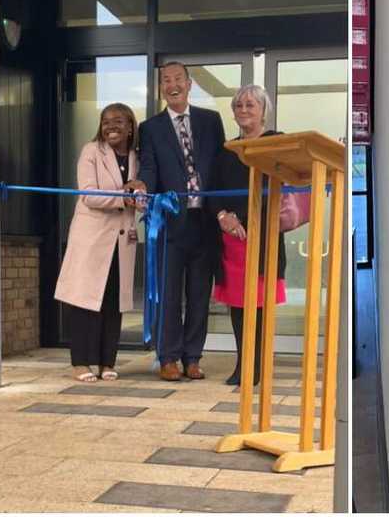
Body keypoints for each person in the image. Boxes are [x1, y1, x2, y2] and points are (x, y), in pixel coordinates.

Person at [130, 61, 226, 381]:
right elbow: (149, 168)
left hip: (206, 221)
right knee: (169, 294)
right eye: (165, 80)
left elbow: (221, 168)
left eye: (177, 79)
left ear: (189, 84)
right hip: (171, 222)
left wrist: (225, 210)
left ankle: (193, 357)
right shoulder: (151, 127)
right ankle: (168, 356)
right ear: (160, 88)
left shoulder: (211, 121)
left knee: (199, 293)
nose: (172, 85)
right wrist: (142, 185)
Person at [208, 85, 309, 386]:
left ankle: (261, 365)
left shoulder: (277, 143)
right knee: (238, 306)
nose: (244, 111)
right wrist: (223, 216)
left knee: (261, 306)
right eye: (238, 106)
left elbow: (286, 181)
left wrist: (253, 218)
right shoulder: (227, 149)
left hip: (264, 236)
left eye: (250, 105)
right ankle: (244, 365)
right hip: (233, 240)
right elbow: (213, 190)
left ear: (264, 110)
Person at [54, 103, 141, 382]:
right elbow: (88, 194)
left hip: (121, 241)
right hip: (92, 238)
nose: (111, 126)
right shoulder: (91, 151)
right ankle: (80, 362)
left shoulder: (137, 157)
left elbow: (143, 194)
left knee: (113, 302)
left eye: (118, 121)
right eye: (105, 121)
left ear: (130, 126)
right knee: (84, 300)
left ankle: (107, 362)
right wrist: (123, 198)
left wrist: (142, 200)